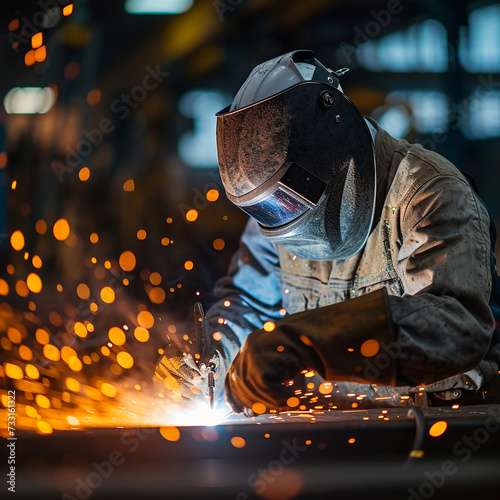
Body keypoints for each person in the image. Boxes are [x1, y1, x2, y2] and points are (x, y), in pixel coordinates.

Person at [154, 50, 500, 414]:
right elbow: (247, 301)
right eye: (268, 209)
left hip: (438, 430)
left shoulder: (428, 192)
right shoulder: (276, 213)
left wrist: (311, 342)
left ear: (333, 141)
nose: (283, 217)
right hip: (343, 429)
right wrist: (214, 356)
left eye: (289, 201)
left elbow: (456, 327)